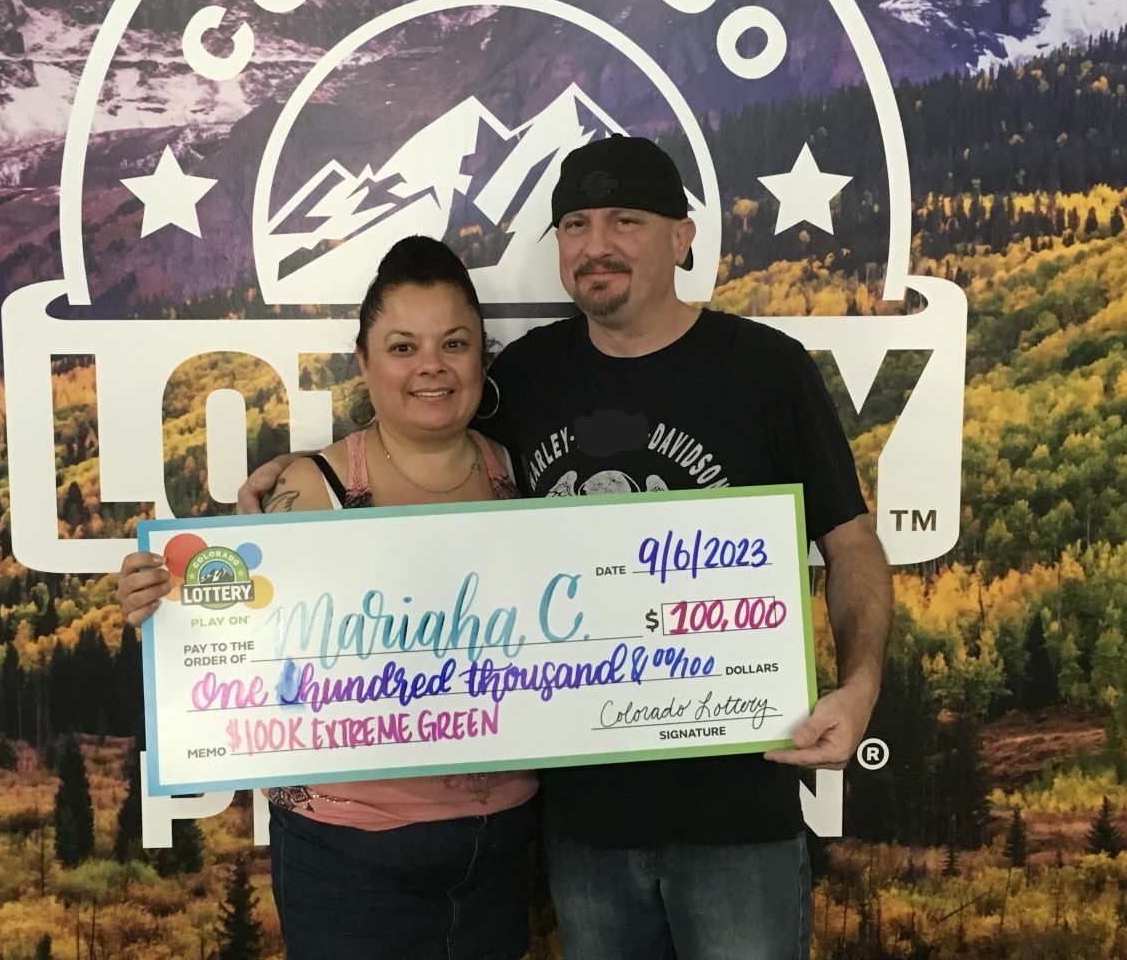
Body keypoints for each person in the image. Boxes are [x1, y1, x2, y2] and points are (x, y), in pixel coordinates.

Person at [240, 135, 893, 959]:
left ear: (682, 236)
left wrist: (862, 682)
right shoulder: (530, 377)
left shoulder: (766, 369)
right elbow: (421, 441)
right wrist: (292, 481)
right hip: (583, 831)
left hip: (738, 815)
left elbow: (853, 541)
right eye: (576, 224)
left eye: (626, 219)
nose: (597, 244)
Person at [118, 236, 537, 960]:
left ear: (482, 356)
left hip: (500, 847)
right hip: (350, 856)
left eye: (455, 343)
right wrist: (157, 610)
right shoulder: (309, 490)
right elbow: (234, 649)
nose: (431, 365)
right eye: (403, 346)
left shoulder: (518, 472)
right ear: (365, 361)